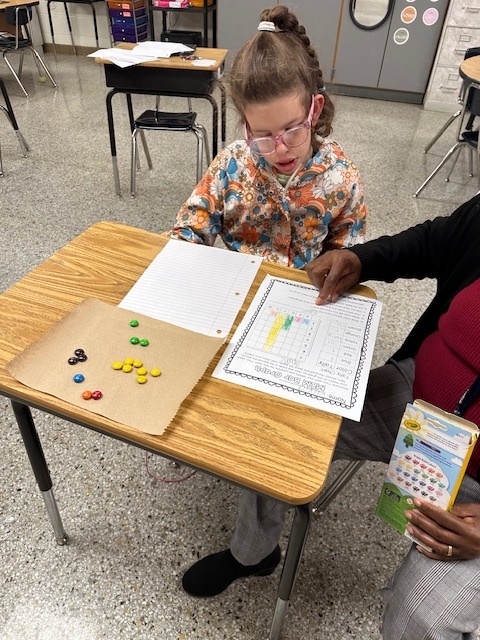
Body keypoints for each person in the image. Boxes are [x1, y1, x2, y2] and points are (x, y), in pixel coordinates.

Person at [182, 193, 480, 640]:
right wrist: (361, 259)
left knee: (423, 617)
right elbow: (437, 241)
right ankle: (253, 554)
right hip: (419, 397)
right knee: (277, 428)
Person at [169, 5, 367, 267]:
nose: (280, 149)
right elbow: (191, 227)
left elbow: (348, 253)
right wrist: (178, 253)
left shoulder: (342, 178)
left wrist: (338, 269)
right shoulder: (231, 166)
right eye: (262, 136)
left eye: (293, 130)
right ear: (246, 127)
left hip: (304, 294)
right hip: (238, 289)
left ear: (315, 110)